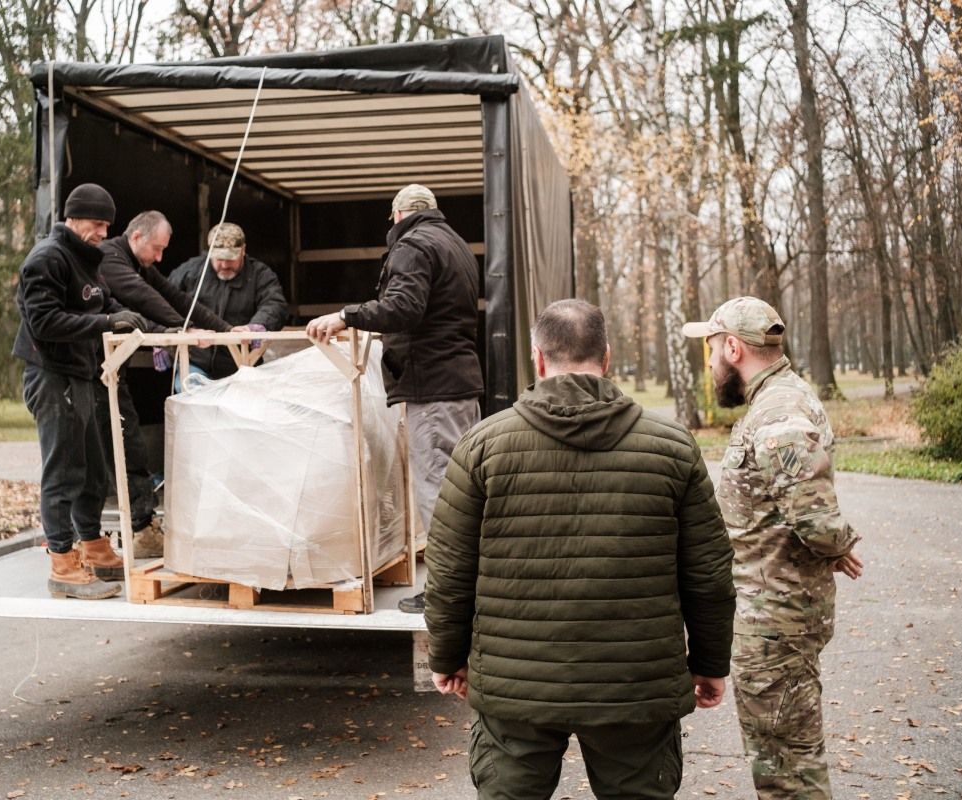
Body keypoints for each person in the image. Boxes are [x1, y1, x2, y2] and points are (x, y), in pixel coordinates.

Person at [423, 299, 735, 800]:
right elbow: (709, 573)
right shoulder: (672, 446)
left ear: (538, 359)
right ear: (606, 358)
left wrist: (447, 656)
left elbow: (449, 569)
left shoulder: (482, 446)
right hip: (635, 686)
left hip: (514, 686)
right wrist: (710, 661)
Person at [682, 296, 864, 800]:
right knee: (787, 760)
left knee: (788, 772)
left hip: (775, 624)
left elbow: (814, 516)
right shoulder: (777, 398)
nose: (710, 362)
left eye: (712, 349)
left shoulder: (779, 410)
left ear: (734, 348)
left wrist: (838, 543)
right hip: (776, 617)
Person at [306, 184, 483, 613]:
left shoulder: (413, 245)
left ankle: (449, 594)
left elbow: (403, 308)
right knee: (463, 491)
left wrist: (346, 316)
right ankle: (470, 585)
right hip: (459, 385)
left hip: (434, 389)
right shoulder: (456, 246)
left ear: (398, 215)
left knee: (438, 491)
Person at [13, 183, 152, 599]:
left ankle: (92, 544)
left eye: (108, 225)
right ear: (72, 218)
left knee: (93, 467)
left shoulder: (86, 259)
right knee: (64, 469)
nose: (103, 233)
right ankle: (62, 560)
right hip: (51, 375)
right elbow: (45, 323)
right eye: (97, 223)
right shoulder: (46, 259)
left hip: (83, 375)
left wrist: (127, 317)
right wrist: (106, 324)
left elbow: (101, 304)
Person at [96, 211, 226, 558]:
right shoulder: (110, 257)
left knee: (130, 444)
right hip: (93, 369)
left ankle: (142, 528)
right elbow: (142, 297)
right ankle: (94, 538)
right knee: (106, 451)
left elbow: (176, 297)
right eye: (157, 248)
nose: (159, 257)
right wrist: (179, 331)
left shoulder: (139, 263)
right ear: (137, 237)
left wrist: (227, 330)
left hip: (113, 370)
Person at [166, 222, 288, 380]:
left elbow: (275, 304)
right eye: (219, 259)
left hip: (242, 365)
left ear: (243, 250)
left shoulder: (260, 274)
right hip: (195, 362)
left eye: (230, 259)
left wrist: (258, 325)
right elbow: (164, 303)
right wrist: (166, 333)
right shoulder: (189, 272)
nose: (224, 265)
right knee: (191, 390)